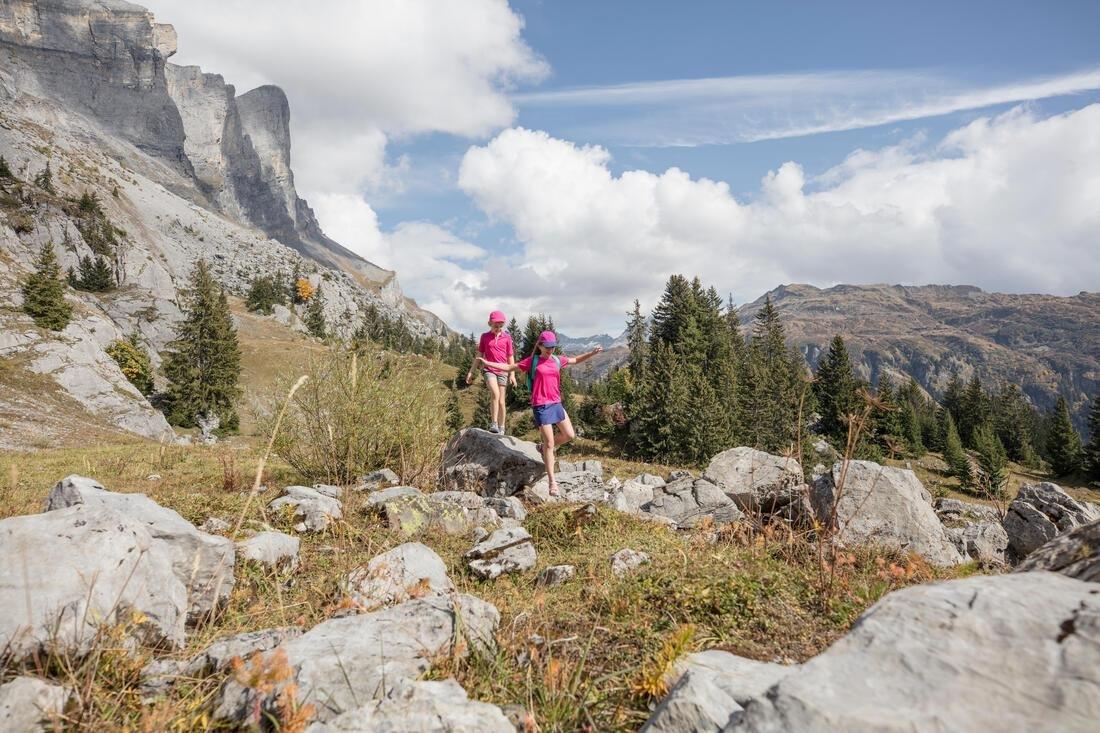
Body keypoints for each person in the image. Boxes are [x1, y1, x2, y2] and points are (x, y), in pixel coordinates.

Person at [477, 330, 603, 496]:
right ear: (541, 346)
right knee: (550, 444)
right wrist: (488, 363)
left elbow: (574, 360)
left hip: (556, 403)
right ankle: (552, 482)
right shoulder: (533, 361)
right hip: (541, 406)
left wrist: (592, 353)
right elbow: (509, 367)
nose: (550, 350)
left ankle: (542, 448)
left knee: (569, 435)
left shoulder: (557, 360)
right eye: (548, 347)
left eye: (553, 347)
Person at [466, 310, 515, 434]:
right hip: (489, 370)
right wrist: (471, 371)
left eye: (500, 326)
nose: (498, 328)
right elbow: (479, 355)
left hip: (503, 370)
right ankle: (494, 423)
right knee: (495, 393)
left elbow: (510, 356)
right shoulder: (485, 337)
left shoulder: (507, 337)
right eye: (495, 326)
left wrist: (512, 374)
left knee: (501, 401)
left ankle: (502, 427)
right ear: (490, 324)